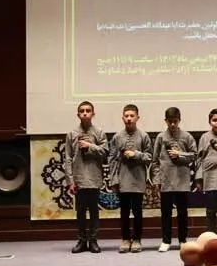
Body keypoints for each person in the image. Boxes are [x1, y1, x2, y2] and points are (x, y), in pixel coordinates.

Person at [64, 101, 109, 254]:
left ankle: (93, 240)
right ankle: (82, 240)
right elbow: (68, 158)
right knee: (81, 212)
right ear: (78, 114)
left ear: (93, 114)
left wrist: (90, 146)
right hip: (79, 179)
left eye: (88, 111)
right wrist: (70, 181)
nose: (85, 113)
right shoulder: (71, 134)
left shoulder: (99, 132)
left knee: (94, 212)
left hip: (94, 177)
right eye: (82, 111)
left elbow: (105, 152)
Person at [109, 103, 153, 253]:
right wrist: (113, 180)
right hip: (122, 180)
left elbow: (149, 157)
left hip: (138, 180)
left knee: (137, 212)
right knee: (124, 212)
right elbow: (112, 160)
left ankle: (137, 239)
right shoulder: (117, 137)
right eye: (126, 116)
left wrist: (136, 154)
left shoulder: (143, 136)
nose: (129, 118)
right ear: (122, 118)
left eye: (132, 116)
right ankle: (125, 239)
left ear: (137, 118)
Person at [154, 107, 196, 252]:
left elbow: (194, 155)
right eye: (170, 121)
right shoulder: (161, 137)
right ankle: (166, 240)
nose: (172, 124)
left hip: (182, 180)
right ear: (165, 121)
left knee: (182, 212)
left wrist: (180, 154)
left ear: (179, 120)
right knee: (165, 213)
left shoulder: (187, 136)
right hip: (165, 180)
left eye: (175, 121)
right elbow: (155, 161)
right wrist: (157, 180)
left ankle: (182, 239)